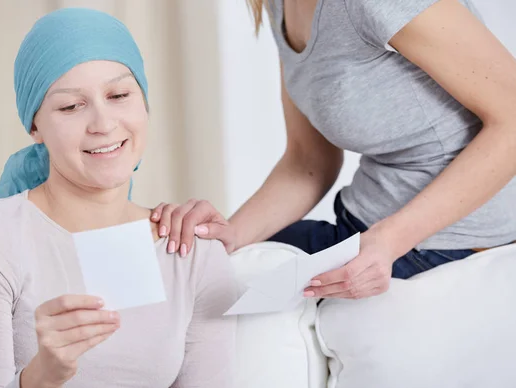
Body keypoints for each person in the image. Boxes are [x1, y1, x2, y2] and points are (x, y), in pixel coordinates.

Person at [0, 8, 237, 388]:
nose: (103, 123)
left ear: (144, 102)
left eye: (118, 95)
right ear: (35, 126)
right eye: (70, 106)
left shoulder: (193, 253)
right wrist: (43, 378)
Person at [152, 0, 516, 300]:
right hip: (364, 227)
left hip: (450, 241)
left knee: (219, 307)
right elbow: (307, 162)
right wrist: (231, 236)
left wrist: (389, 242)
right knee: (203, 285)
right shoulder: (281, 7)